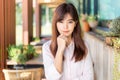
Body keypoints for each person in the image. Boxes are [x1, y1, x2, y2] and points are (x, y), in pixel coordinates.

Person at [42, 3, 94, 80]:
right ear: (56, 23)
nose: (65, 26)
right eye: (61, 22)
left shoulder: (84, 45)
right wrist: (60, 50)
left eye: (70, 22)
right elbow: (51, 78)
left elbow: (89, 77)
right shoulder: (47, 47)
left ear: (75, 23)